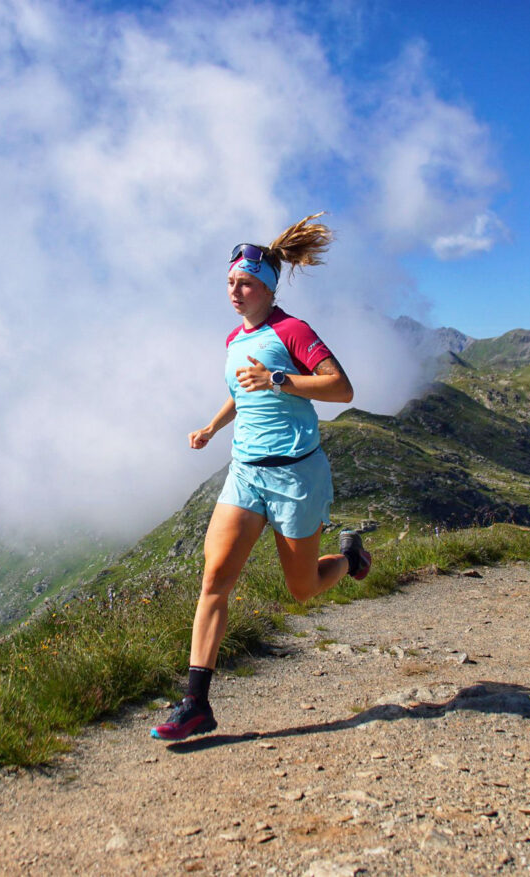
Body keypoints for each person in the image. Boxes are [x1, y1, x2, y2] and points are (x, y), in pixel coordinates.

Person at [150, 213, 372, 742]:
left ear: (267, 288)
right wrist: (211, 425)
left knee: (303, 589)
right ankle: (195, 703)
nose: (234, 290)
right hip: (246, 473)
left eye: (244, 283)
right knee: (214, 580)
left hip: (296, 475)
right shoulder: (235, 336)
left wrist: (278, 379)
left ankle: (350, 557)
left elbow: (341, 389)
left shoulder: (292, 330)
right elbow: (241, 389)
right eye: (229, 282)